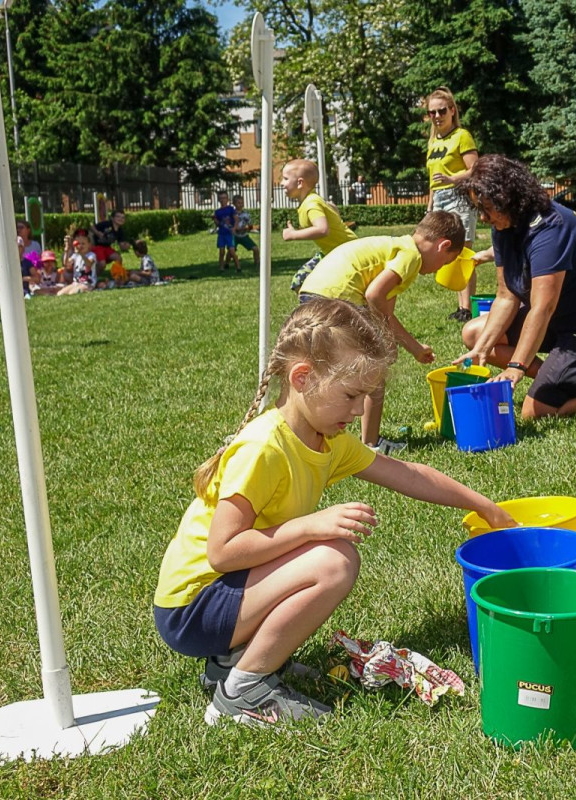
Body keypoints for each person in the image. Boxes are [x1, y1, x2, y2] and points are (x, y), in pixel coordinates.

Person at [153, 298, 515, 726]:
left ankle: (232, 662)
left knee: (327, 554)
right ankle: (244, 689)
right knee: (334, 560)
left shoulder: (327, 440)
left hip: (225, 596)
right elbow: (223, 552)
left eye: (365, 396)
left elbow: (409, 474)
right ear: (302, 378)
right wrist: (307, 526)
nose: (361, 410)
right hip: (191, 609)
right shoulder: (264, 449)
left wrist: (484, 506)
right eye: (351, 394)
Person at [453, 154, 576, 420]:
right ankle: (560, 375)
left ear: (508, 198)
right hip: (559, 318)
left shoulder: (550, 228)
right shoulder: (503, 225)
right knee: (475, 334)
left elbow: (542, 308)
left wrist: (517, 366)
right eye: (478, 207)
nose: (483, 217)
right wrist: (481, 350)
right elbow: (506, 296)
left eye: (487, 207)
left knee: (535, 412)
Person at [299, 210, 466, 455]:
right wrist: (385, 339)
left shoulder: (396, 249)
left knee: (330, 370)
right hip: (337, 301)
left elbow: (386, 313)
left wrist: (413, 348)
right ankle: (368, 444)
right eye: (446, 262)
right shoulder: (411, 256)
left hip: (313, 293)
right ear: (443, 245)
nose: (439, 269)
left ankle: (337, 436)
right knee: (371, 372)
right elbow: (374, 295)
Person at [424, 88, 479, 323]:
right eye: (432, 112)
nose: (437, 116)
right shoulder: (433, 140)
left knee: (463, 252)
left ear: (452, 110)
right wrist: (429, 205)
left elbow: (475, 169)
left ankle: (467, 308)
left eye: (441, 111)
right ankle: (461, 307)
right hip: (440, 199)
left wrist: (452, 179)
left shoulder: (462, 136)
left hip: (459, 196)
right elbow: (433, 178)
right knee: (450, 253)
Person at [281, 159, 357, 292]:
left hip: (348, 252)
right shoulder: (312, 200)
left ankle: (326, 309)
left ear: (300, 183)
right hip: (331, 252)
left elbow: (322, 229)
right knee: (299, 282)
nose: (282, 183)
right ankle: (315, 310)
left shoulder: (311, 204)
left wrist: (293, 234)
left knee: (341, 291)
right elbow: (331, 215)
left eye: (285, 179)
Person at [91, 209, 132, 285]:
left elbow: (121, 245)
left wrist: (126, 246)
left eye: (123, 217)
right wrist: (97, 233)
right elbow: (92, 226)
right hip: (97, 246)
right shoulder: (106, 224)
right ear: (112, 218)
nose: (121, 219)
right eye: (118, 217)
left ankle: (118, 277)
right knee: (102, 264)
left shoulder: (120, 231)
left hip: (107, 248)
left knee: (118, 257)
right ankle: (92, 278)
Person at [232, 195, 260, 269]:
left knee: (255, 249)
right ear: (234, 203)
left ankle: (257, 262)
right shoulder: (232, 214)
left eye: (242, 203)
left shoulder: (246, 214)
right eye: (238, 203)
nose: (240, 204)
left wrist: (250, 227)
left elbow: (250, 225)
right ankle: (226, 264)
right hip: (234, 236)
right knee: (231, 251)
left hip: (244, 235)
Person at [214, 191, 238, 272]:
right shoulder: (217, 212)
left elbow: (236, 219)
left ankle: (238, 266)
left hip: (229, 233)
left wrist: (234, 228)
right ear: (218, 200)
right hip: (221, 234)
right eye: (221, 198)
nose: (222, 200)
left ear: (227, 199)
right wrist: (215, 220)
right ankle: (221, 267)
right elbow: (218, 223)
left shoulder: (231, 209)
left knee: (232, 251)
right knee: (221, 251)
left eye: (224, 198)